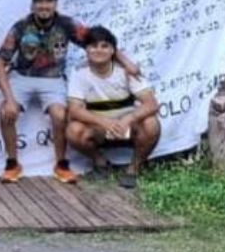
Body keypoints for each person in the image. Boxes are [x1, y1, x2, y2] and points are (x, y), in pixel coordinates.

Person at [0, 0, 138, 184]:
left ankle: (61, 163)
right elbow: (0, 63)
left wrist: (126, 63)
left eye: (48, 1)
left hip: (53, 78)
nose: (44, 6)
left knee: (60, 114)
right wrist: (9, 99)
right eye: (40, 1)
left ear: (55, 3)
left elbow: (98, 40)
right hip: (22, 76)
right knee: (5, 112)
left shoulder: (66, 24)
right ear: (33, 4)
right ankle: (12, 163)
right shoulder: (20, 27)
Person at [65, 25, 160, 190]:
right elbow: (75, 110)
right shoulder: (79, 72)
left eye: (104, 46)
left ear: (113, 51)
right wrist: (104, 122)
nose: (98, 50)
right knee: (73, 130)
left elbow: (151, 104)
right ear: (86, 50)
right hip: (99, 128)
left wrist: (128, 119)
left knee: (151, 124)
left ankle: (134, 169)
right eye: (93, 46)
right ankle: (100, 163)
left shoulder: (126, 70)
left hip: (128, 126)